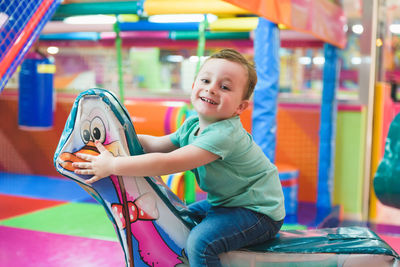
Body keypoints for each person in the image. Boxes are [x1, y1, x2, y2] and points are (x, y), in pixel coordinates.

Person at [73, 48, 285, 266]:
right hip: (226, 204)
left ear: (240, 107)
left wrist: (114, 165)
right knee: (179, 218)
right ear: (194, 86)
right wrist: (121, 137)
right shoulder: (193, 124)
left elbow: (168, 162)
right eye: (206, 80)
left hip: (258, 213)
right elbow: (157, 144)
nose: (211, 89)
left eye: (224, 87)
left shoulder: (224, 136)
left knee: (200, 243)